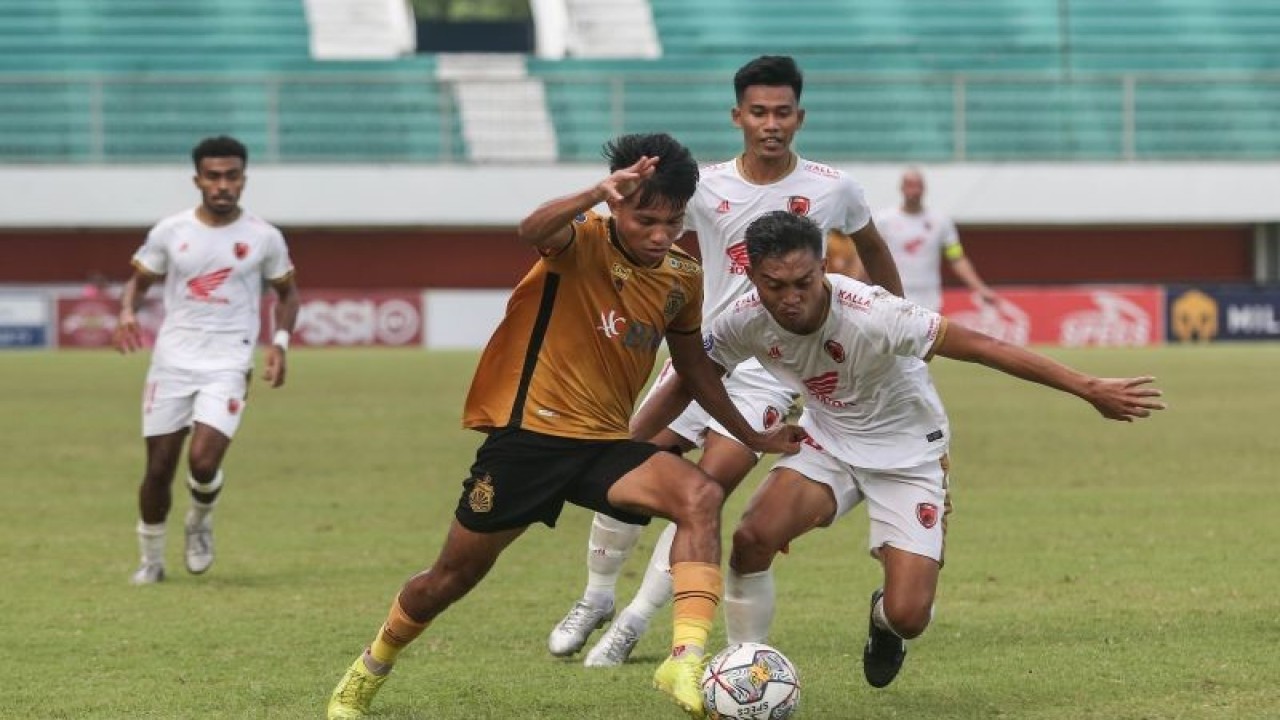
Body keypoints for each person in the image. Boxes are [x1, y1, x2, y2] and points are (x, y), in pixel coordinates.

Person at [325, 133, 805, 720]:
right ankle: (369, 668)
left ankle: (684, 657)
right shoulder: (578, 241)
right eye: (645, 219)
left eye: (674, 222)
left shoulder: (682, 275)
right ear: (615, 205)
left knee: (700, 495)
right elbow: (531, 229)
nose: (661, 235)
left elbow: (693, 369)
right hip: (529, 442)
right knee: (448, 578)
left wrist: (749, 435)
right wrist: (592, 194)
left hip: (606, 445)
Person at [648, 210, 1165, 689]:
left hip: (909, 454)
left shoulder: (874, 314)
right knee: (752, 538)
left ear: (824, 268)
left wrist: (1088, 388)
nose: (790, 298)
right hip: (828, 440)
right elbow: (692, 376)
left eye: (804, 282)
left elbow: (987, 347)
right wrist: (624, 445)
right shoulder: (743, 318)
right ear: (753, 276)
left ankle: (883, 620)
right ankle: (747, 668)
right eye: (773, 285)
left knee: (909, 616)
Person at [548, 54, 904, 669]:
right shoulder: (706, 186)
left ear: (800, 116)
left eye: (783, 112)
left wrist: (892, 325)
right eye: (759, 112)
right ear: (737, 116)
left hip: (772, 370)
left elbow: (873, 247)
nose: (772, 123)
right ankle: (596, 598)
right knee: (627, 463)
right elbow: (639, 229)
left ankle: (634, 621)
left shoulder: (833, 188)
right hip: (701, 352)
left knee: (704, 492)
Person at [115, 135, 300, 586]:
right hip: (172, 362)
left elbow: (287, 293)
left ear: (244, 180)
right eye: (213, 176)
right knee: (158, 468)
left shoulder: (263, 237)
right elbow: (138, 282)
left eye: (231, 176)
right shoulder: (171, 232)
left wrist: (279, 342)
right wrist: (125, 312)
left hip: (229, 360)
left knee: (202, 461)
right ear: (197, 179)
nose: (223, 185)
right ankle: (151, 559)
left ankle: (200, 520)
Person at [845, 167, 997, 312]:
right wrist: (852, 289)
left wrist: (980, 288)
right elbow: (868, 254)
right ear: (901, 188)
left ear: (924, 189)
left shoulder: (941, 222)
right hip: (892, 297)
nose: (914, 190)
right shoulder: (884, 221)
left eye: (918, 186)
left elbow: (956, 258)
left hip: (929, 300)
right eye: (909, 185)